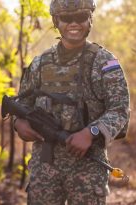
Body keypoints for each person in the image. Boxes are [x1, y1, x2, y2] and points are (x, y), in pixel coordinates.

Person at [14, 0, 130, 204]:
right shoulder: (40, 63)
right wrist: (18, 123)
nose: (74, 24)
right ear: (56, 21)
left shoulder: (105, 62)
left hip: (87, 167)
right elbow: (22, 103)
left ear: (90, 19)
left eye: (81, 17)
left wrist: (90, 132)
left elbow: (120, 110)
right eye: (67, 18)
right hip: (45, 166)